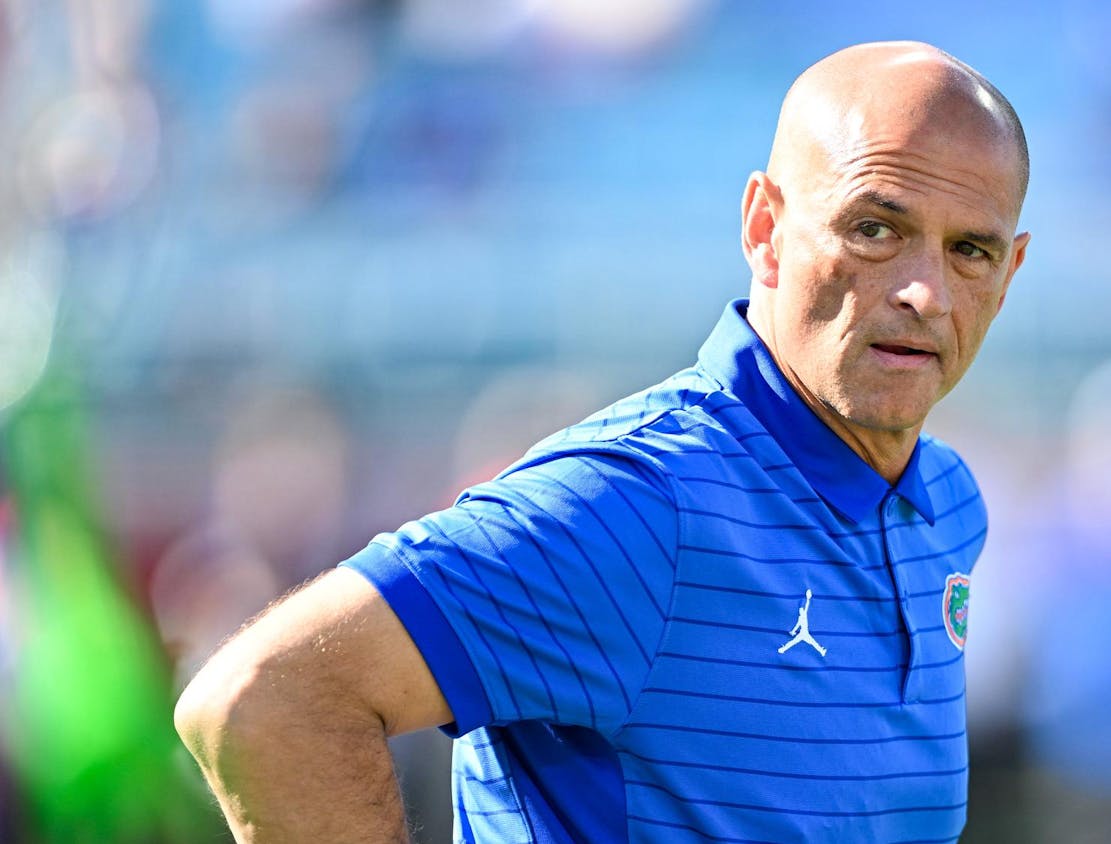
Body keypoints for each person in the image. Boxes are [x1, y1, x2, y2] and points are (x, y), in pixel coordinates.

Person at [175, 39, 1030, 843]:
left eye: (970, 251)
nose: (927, 290)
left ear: (1010, 274)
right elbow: (264, 702)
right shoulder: (644, 501)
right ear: (765, 228)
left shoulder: (945, 501)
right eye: (874, 229)